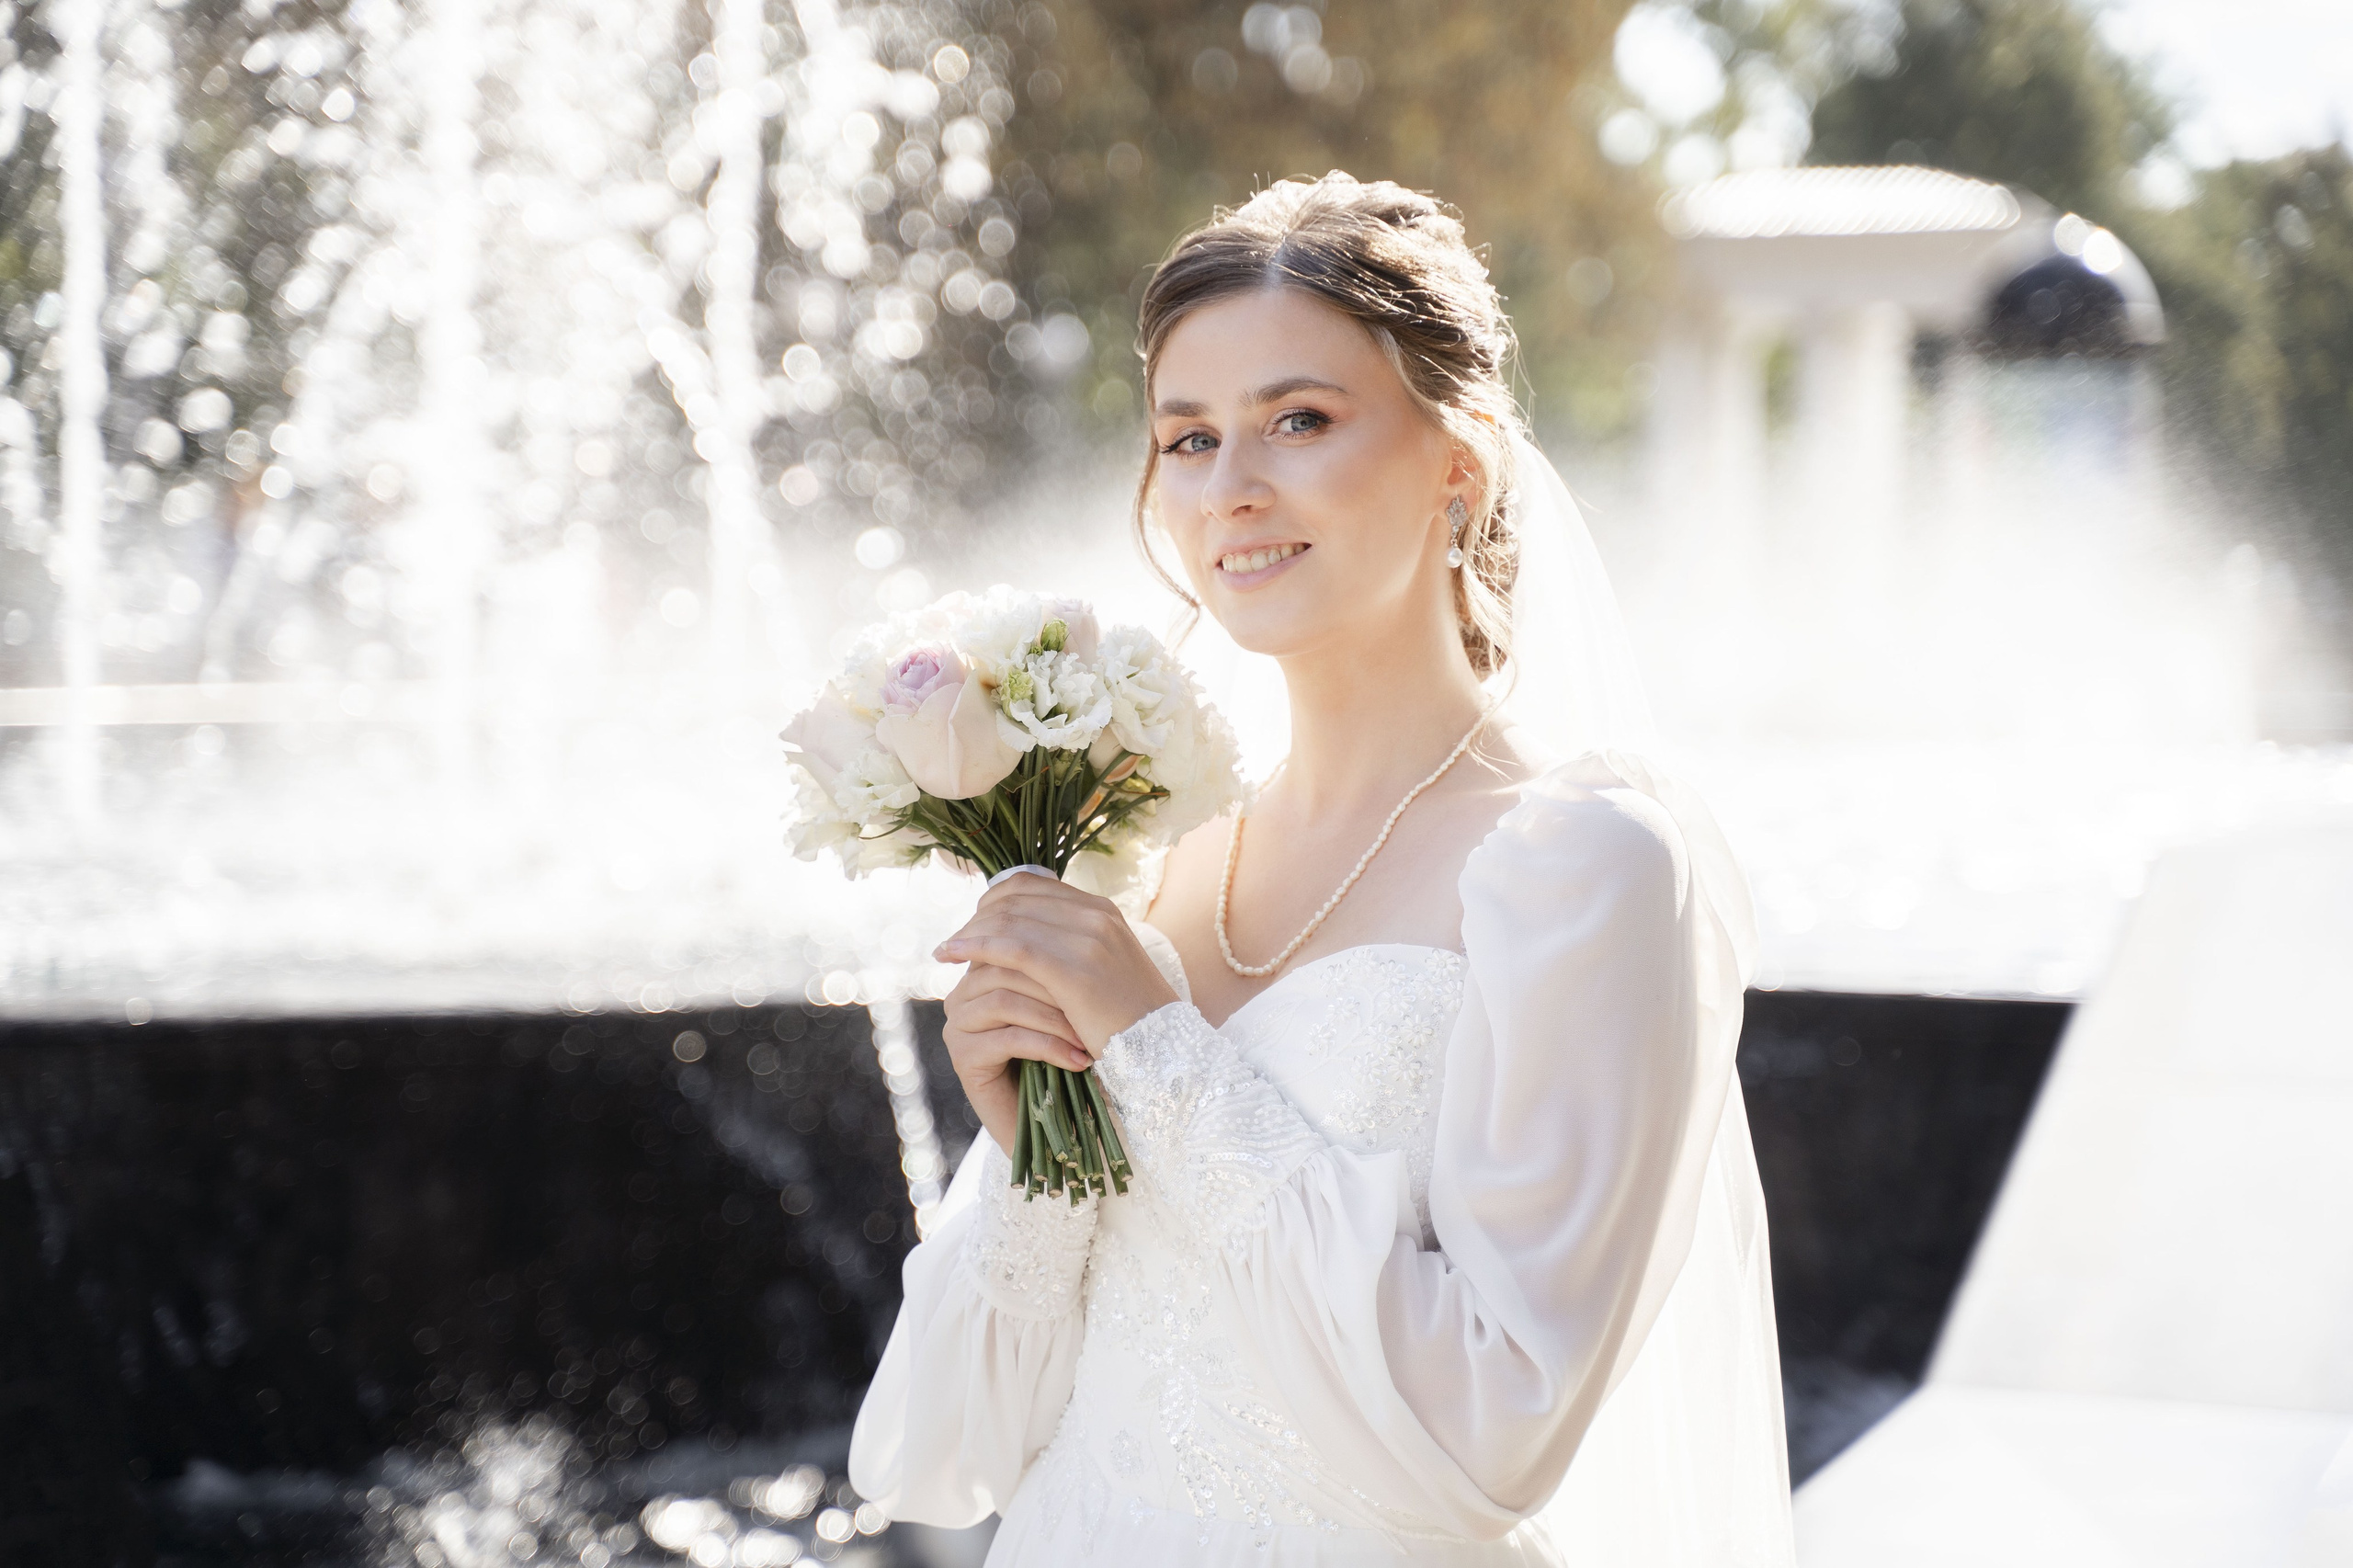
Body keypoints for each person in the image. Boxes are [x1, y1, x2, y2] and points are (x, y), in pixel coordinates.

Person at [849, 172, 1794, 1565]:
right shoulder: (1145, 849)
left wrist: (1156, 1049)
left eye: (1300, 420)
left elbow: (1495, 1432)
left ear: (1457, 460)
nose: (1234, 489)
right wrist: (1037, 1156)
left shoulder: (1587, 860)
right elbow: (940, 1449)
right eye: (1188, 438)